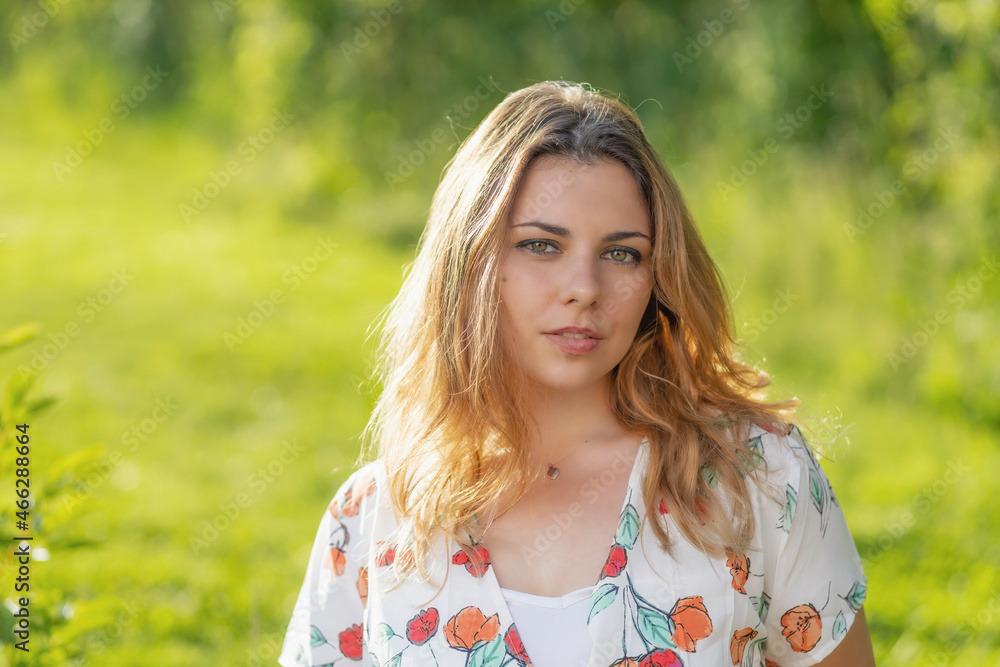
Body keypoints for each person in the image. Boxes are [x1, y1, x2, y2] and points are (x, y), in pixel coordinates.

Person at [278, 80, 874, 667]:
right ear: (471, 259)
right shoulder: (372, 520)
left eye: (622, 254)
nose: (585, 289)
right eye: (541, 245)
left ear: (658, 276)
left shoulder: (758, 478)